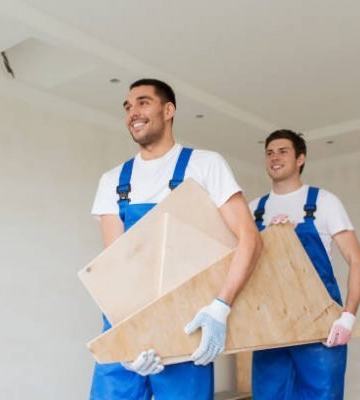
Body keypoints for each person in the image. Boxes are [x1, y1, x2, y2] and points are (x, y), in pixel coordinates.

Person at [90, 78, 262, 399]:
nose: (132, 112)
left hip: (186, 323)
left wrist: (220, 308)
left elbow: (250, 240)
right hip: (126, 322)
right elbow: (114, 268)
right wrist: (128, 340)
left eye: (143, 102)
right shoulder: (113, 181)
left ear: (168, 110)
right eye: (127, 106)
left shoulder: (205, 165)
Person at [249, 129, 360, 400]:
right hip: (270, 327)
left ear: (300, 158)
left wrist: (348, 317)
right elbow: (238, 264)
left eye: (283, 151)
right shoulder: (254, 209)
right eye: (269, 153)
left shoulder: (323, 202)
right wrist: (268, 236)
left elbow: (358, 261)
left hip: (319, 326)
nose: (274, 158)